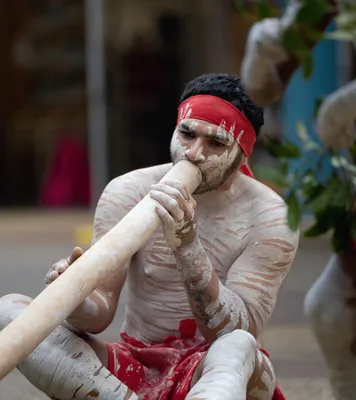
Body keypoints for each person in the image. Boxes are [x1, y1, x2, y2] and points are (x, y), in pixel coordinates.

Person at [0, 73, 299, 400]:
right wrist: (73, 296)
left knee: (239, 346)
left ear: (243, 153)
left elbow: (236, 331)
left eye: (216, 142)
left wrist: (187, 246)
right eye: (186, 134)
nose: (194, 153)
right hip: (134, 367)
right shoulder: (127, 191)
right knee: (9, 311)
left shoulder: (270, 216)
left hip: (212, 371)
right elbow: (98, 315)